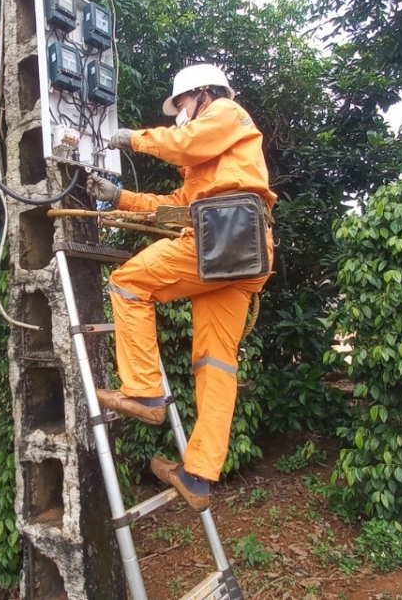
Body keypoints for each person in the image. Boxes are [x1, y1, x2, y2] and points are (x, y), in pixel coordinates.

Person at [85, 63, 276, 511]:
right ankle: (198, 475)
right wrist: (120, 199)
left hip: (226, 238)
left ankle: (144, 390)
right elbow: (175, 206)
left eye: (182, 105)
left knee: (129, 283)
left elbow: (185, 143)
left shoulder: (227, 112)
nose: (179, 117)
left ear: (204, 94)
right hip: (243, 252)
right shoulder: (212, 160)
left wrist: (132, 138)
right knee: (216, 363)